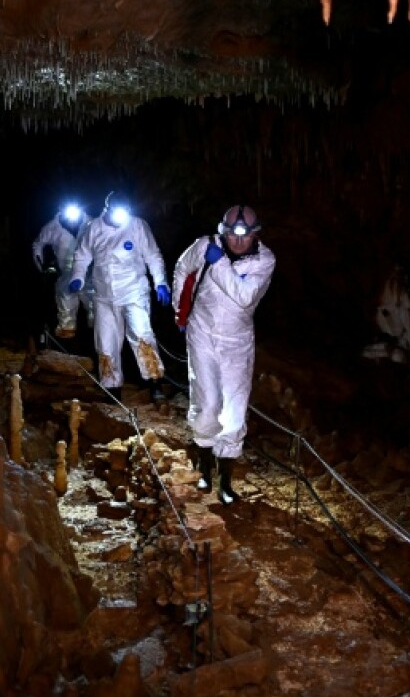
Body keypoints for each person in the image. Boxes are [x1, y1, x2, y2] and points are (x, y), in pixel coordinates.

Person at [171, 205, 275, 504]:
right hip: (202, 332)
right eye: (232, 235)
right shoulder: (205, 245)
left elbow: (244, 297)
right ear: (223, 231)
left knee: (233, 410)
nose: (238, 241)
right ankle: (204, 469)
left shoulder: (265, 260)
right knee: (208, 401)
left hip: (237, 341)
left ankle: (225, 481)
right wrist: (180, 312)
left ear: (255, 234)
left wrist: (218, 265)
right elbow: (183, 269)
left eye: (245, 235)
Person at [68, 192, 171, 400]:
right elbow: (82, 255)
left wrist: (160, 282)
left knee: (143, 335)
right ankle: (112, 388)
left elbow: (153, 255)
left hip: (134, 291)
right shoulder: (93, 228)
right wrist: (78, 276)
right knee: (106, 342)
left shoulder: (137, 226)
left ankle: (155, 382)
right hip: (104, 296)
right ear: (107, 209)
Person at [32, 202, 94, 338]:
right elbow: (38, 244)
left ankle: (95, 335)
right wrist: (41, 266)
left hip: (89, 274)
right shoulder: (52, 227)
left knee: (94, 306)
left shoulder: (91, 224)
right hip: (66, 273)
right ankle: (67, 338)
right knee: (66, 307)